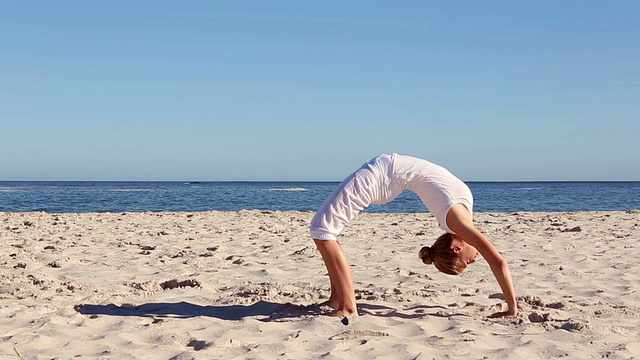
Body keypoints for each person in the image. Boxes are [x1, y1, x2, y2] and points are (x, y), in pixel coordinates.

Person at [310, 153, 517, 319]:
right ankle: (339, 300)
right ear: (457, 248)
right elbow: (498, 263)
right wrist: (512, 309)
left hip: (384, 176)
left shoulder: (459, 220)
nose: (474, 259)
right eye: (467, 263)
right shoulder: (460, 222)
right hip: (383, 174)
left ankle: (346, 306)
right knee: (324, 229)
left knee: (323, 229)